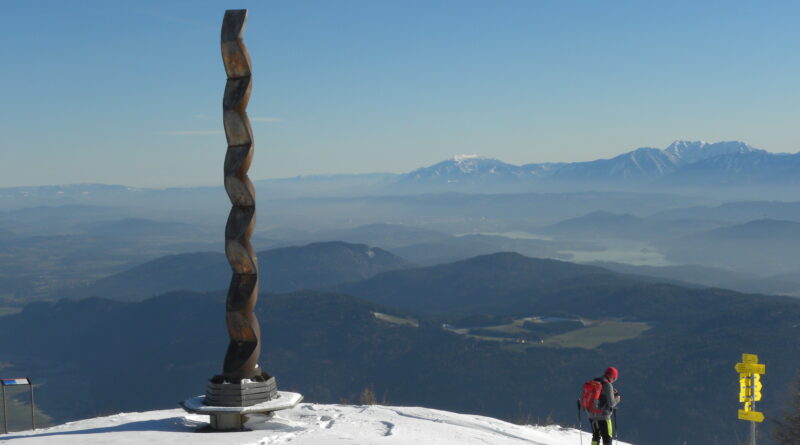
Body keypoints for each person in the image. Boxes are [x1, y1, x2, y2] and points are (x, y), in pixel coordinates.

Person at [588, 366, 621, 445]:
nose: (613, 381)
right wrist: (617, 398)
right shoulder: (608, 385)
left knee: (596, 436)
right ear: (612, 376)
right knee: (607, 438)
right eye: (614, 378)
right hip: (603, 417)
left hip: (592, 415)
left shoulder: (595, 381)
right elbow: (611, 403)